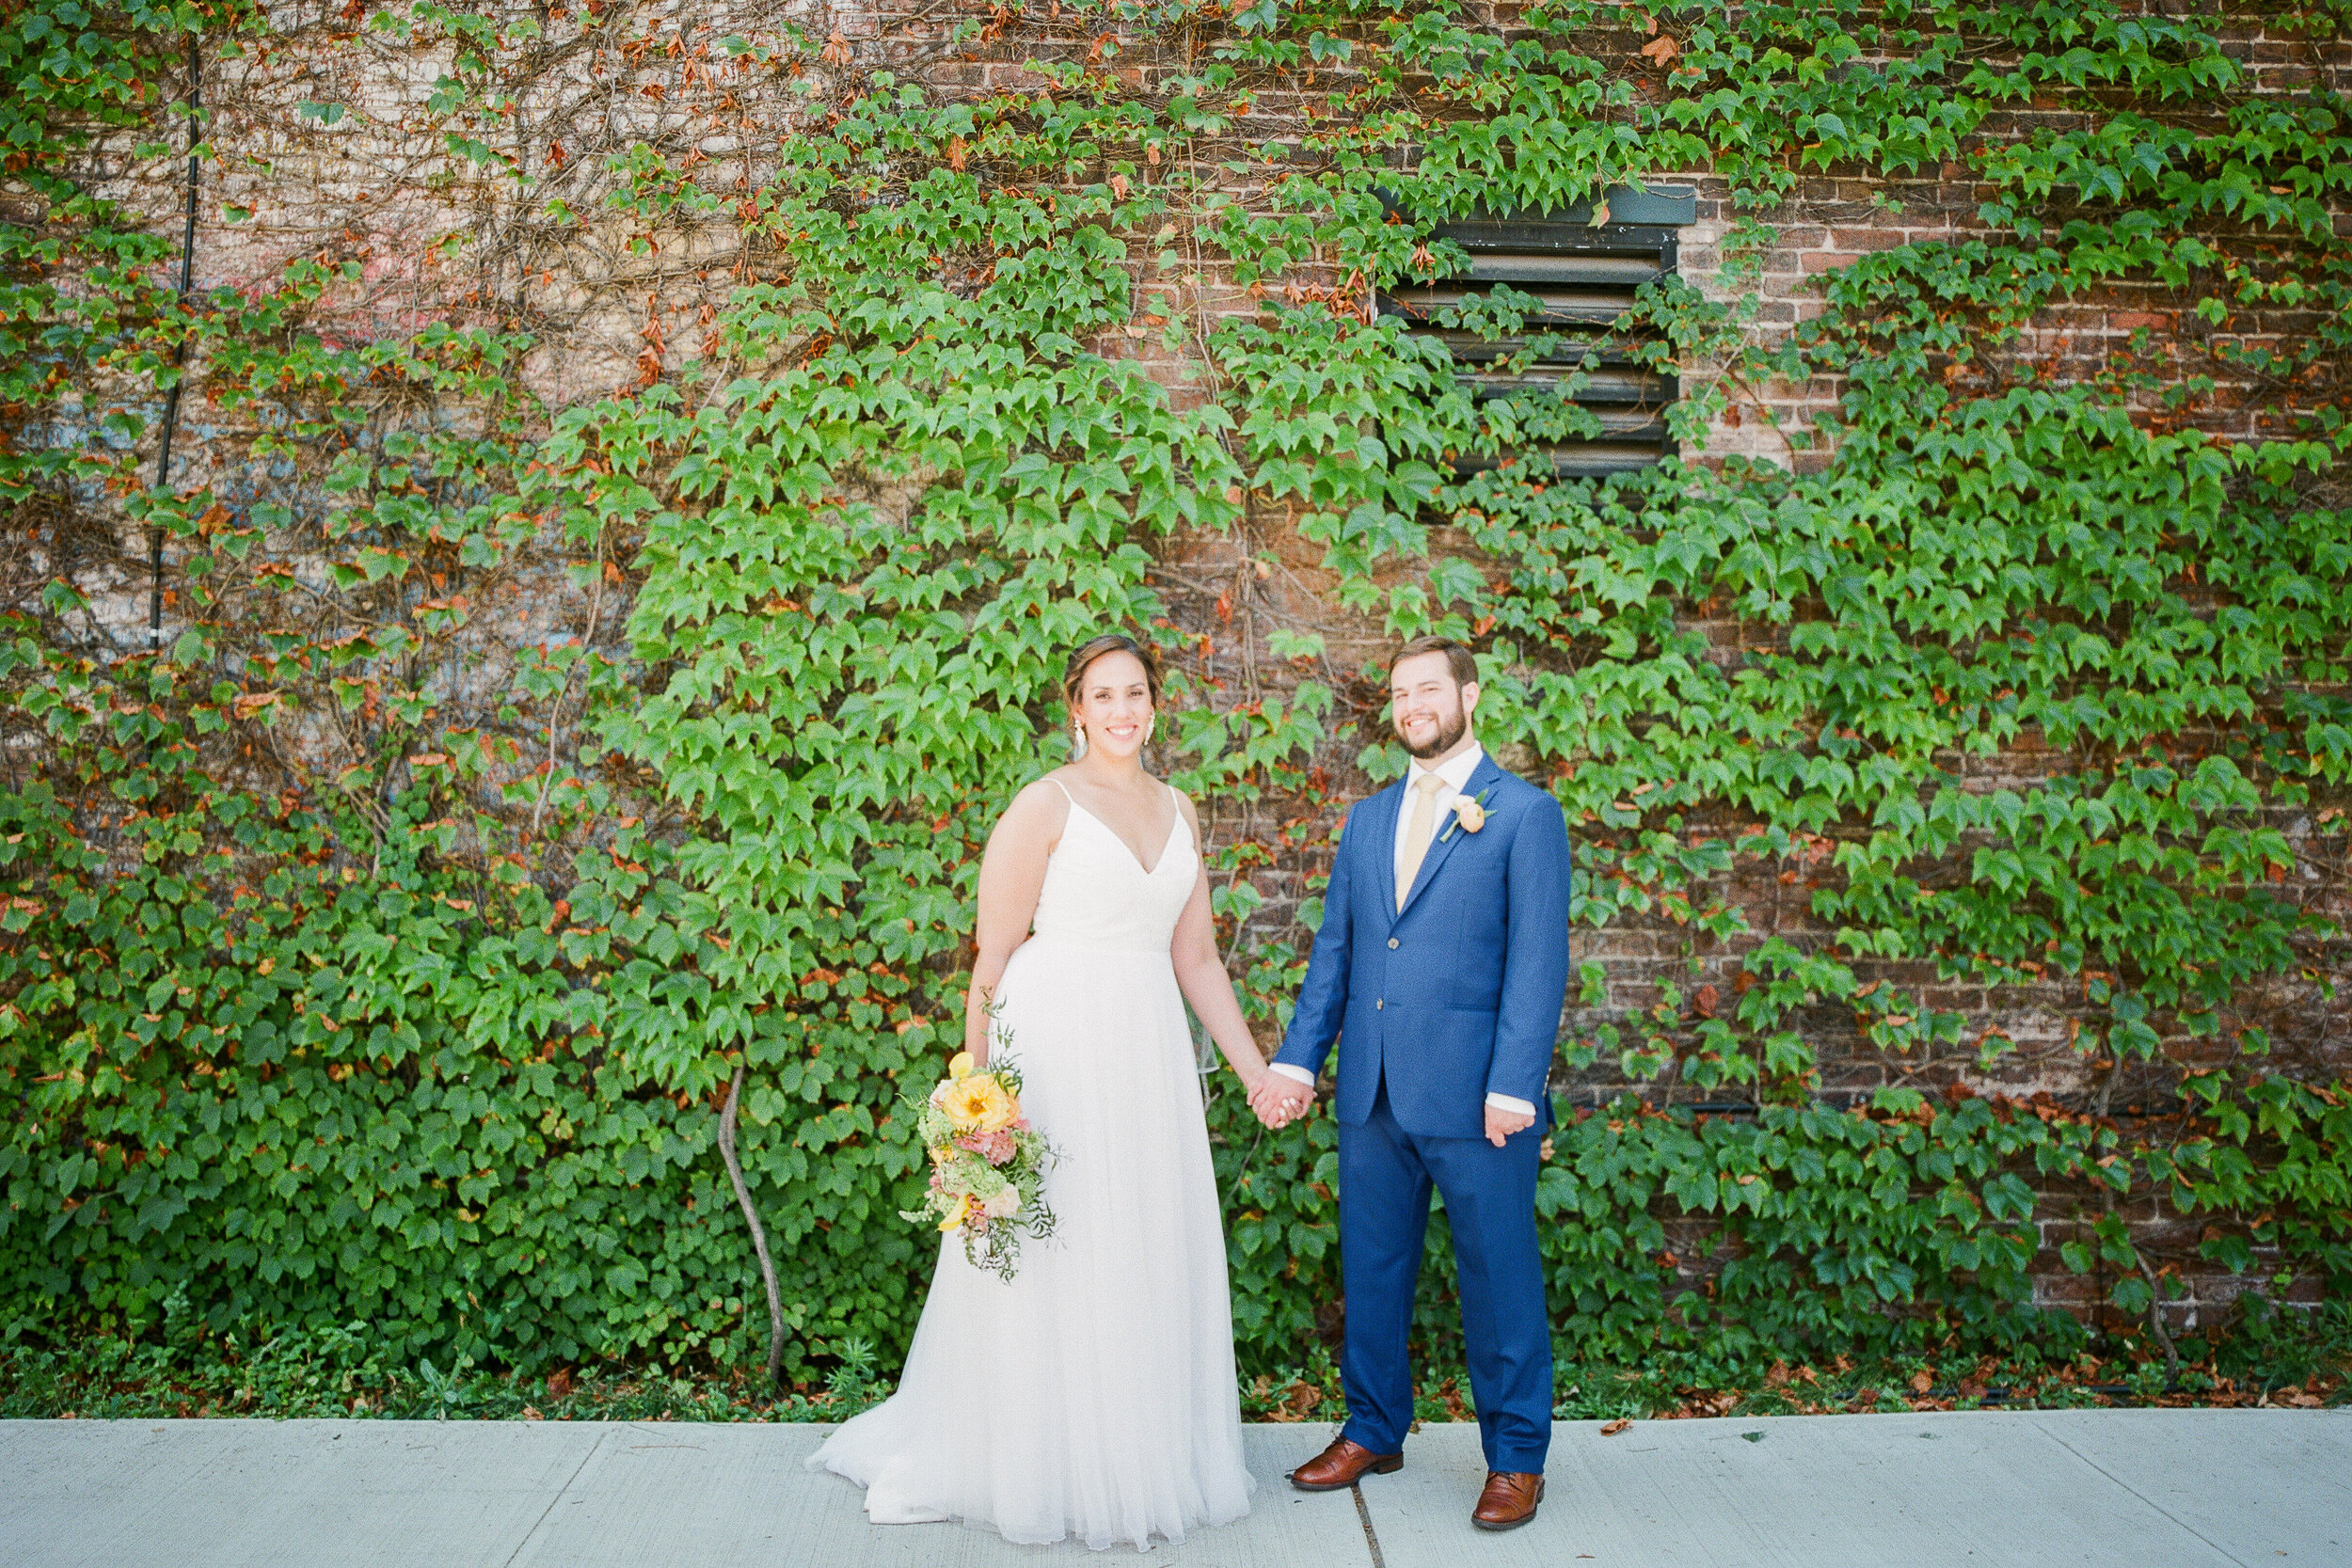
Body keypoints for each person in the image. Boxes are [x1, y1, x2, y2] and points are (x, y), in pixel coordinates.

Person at [809, 632, 1281, 1550]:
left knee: (1133, 1237)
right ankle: (1034, 1459)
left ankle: (1134, 1449)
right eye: (1103, 693)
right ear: (1075, 707)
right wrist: (975, 1100)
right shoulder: (1045, 802)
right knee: (1056, 1243)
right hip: (1057, 1044)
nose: (1121, 709)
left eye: (1135, 691)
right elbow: (990, 958)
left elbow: (1195, 955)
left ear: (1155, 702)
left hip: (1145, 1052)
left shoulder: (1180, 807)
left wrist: (1253, 1067)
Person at [1249, 636, 1573, 1532]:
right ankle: (1373, 1427)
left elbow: (1539, 962)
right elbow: (1340, 953)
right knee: (1374, 1269)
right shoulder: (1367, 819)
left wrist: (1517, 1082)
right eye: (1399, 692)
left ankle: (1515, 1457)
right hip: (1375, 1092)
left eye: (1428, 687)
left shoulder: (1522, 814)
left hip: (1480, 1100)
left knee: (1499, 1275)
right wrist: (1296, 1059)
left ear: (1470, 695)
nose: (1411, 704)